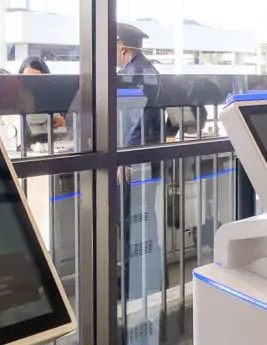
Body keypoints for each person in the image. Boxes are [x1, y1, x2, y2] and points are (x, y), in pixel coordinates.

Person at [116, 22, 163, 308]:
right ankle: (144, 279)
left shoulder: (137, 74)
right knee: (141, 218)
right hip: (146, 159)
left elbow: (137, 120)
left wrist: (127, 159)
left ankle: (138, 283)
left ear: (122, 47)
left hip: (137, 162)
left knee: (134, 219)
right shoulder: (145, 70)